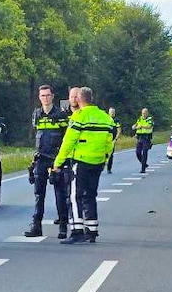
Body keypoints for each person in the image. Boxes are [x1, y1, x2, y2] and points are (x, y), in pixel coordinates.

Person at [53, 87, 116, 244]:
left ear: (80, 99)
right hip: (97, 162)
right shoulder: (105, 117)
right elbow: (110, 142)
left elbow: (68, 142)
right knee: (91, 195)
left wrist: (58, 163)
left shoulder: (79, 117)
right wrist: (105, 158)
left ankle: (77, 231)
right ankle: (92, 231)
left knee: (75, 197)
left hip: (80, 162)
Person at [24, 85, 72, 239]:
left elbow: (67, 137)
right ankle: (36, 226)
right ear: (39, 97)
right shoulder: (36, 114)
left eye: (47, 95)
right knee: (39, 193)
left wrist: (63, 159)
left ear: (52, 96)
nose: (45, 98)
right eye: (42, 96)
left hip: (56, 158)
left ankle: (63, 226)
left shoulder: (60, 114)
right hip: (41, 158)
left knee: (60, 193)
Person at [133, 108, 154, 173]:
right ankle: (144, 164)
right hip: (139, 138)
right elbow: (136, 125)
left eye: (145, 113)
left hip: (146, 138)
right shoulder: (139, 119)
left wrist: (141, 126)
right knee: (138, 152)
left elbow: (149, 126)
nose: (144, 114)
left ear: (147, 113)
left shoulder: (150, 119)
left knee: (145, 152)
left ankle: (143, 169)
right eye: (143, 113)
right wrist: (134, 126)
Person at [106, 108, 121, 174]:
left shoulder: (116, 120)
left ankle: (109, 168)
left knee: (111, 154)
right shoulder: (105, 119)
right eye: (111, 112)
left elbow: (119, 130)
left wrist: (116, 139)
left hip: (112, 140)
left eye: (113, 112)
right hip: (105, 139)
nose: (112, 113)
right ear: (108, 112)